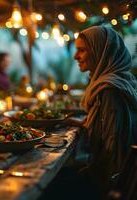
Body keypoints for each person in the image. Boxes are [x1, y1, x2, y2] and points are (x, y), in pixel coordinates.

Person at [70, 25, 137, 193]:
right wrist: (83, 124)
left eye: (82, 50)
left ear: (101, 52)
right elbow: (110, 128)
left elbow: (112, 148)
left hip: (110, 182)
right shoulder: (120, 80)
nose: (75, 56)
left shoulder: (109, 90)